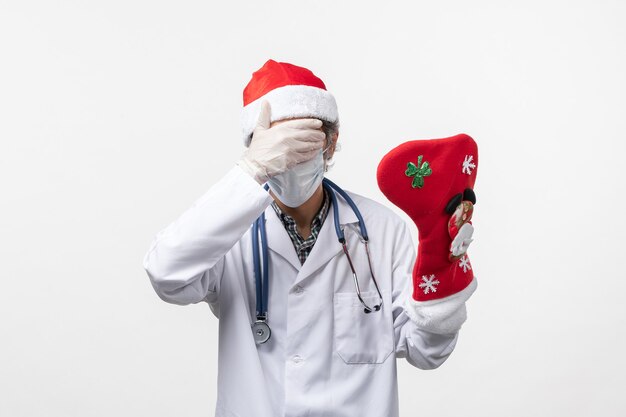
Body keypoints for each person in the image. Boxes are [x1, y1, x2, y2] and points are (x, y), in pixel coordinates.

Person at [142, 59, 477, 417]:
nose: (290, 157)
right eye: (278, 145)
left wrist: (441, 271)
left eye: (303, 141)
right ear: (256, 146)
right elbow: (166, 274)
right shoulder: (227, 232)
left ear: (331, 144)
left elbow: (427, 351)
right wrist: (251, 171)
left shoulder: (381, 230)